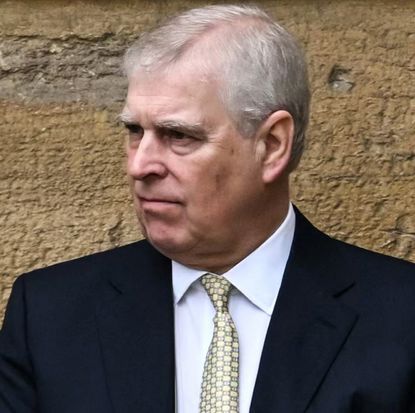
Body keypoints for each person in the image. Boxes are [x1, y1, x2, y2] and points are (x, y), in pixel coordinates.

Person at [0, 4, 414, 413]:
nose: (139, 164)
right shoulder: (50, 314)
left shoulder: (400, 317)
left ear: (272, 145)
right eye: (134, 131)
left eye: (178, 135)